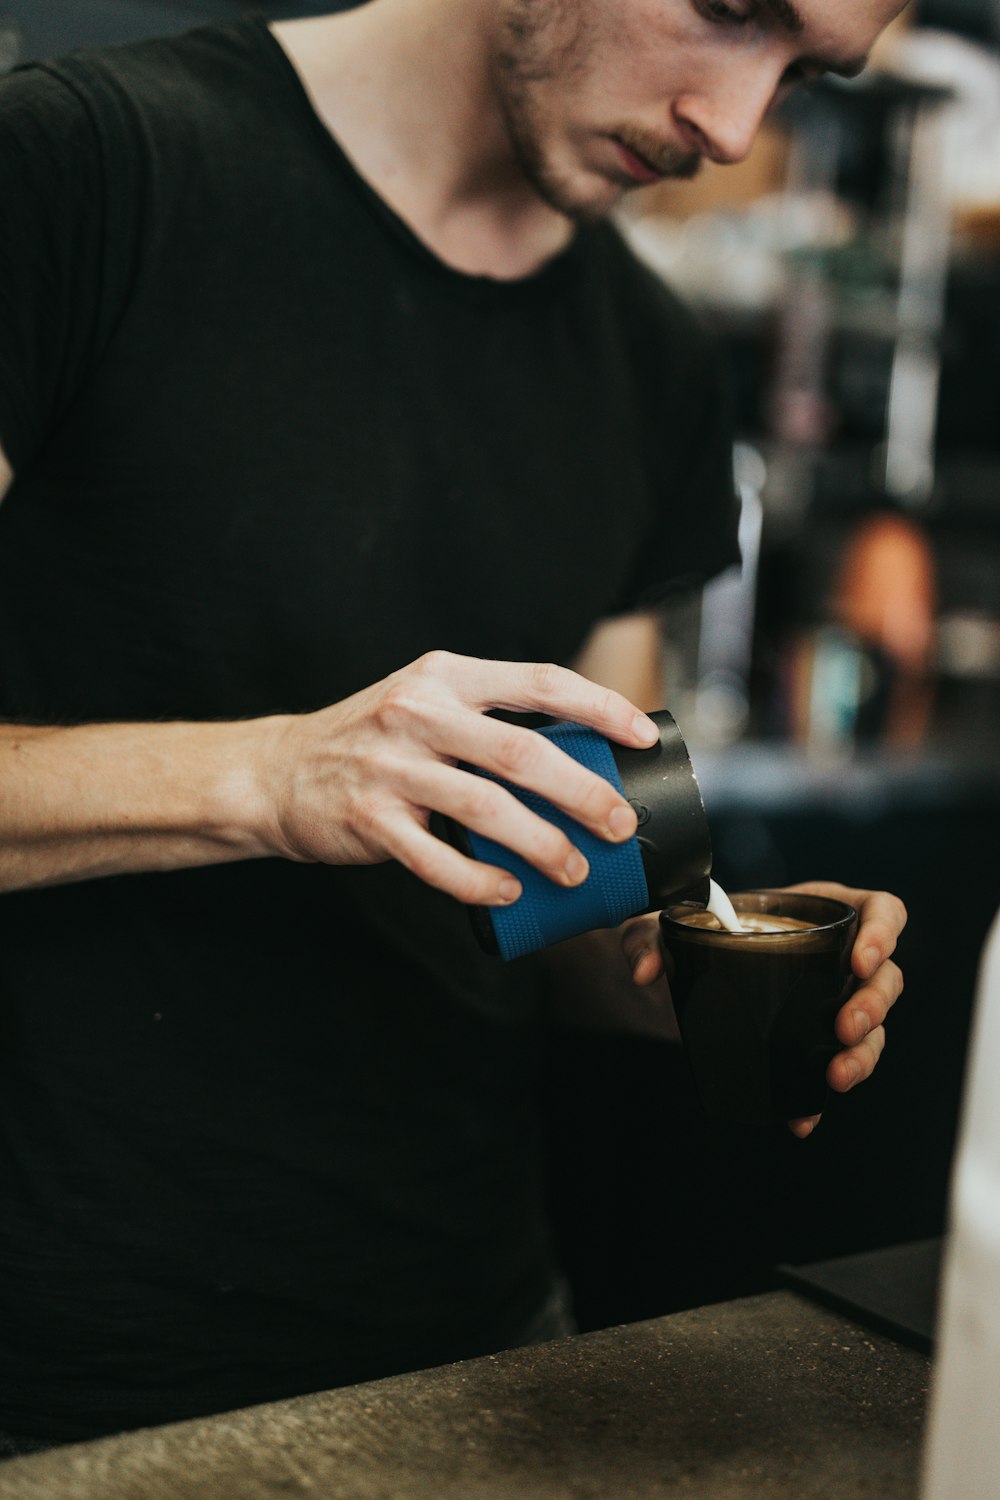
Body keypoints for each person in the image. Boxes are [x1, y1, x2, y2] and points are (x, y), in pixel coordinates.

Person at [0, 0, 907, 1452]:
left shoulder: (654, 362)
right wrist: (278, 776)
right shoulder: (76, 171)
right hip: (67, 1379)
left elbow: (571, 895)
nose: (735, 127)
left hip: (479, 1349)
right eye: (733, 9)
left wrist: (686, 971)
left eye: (802, 70)